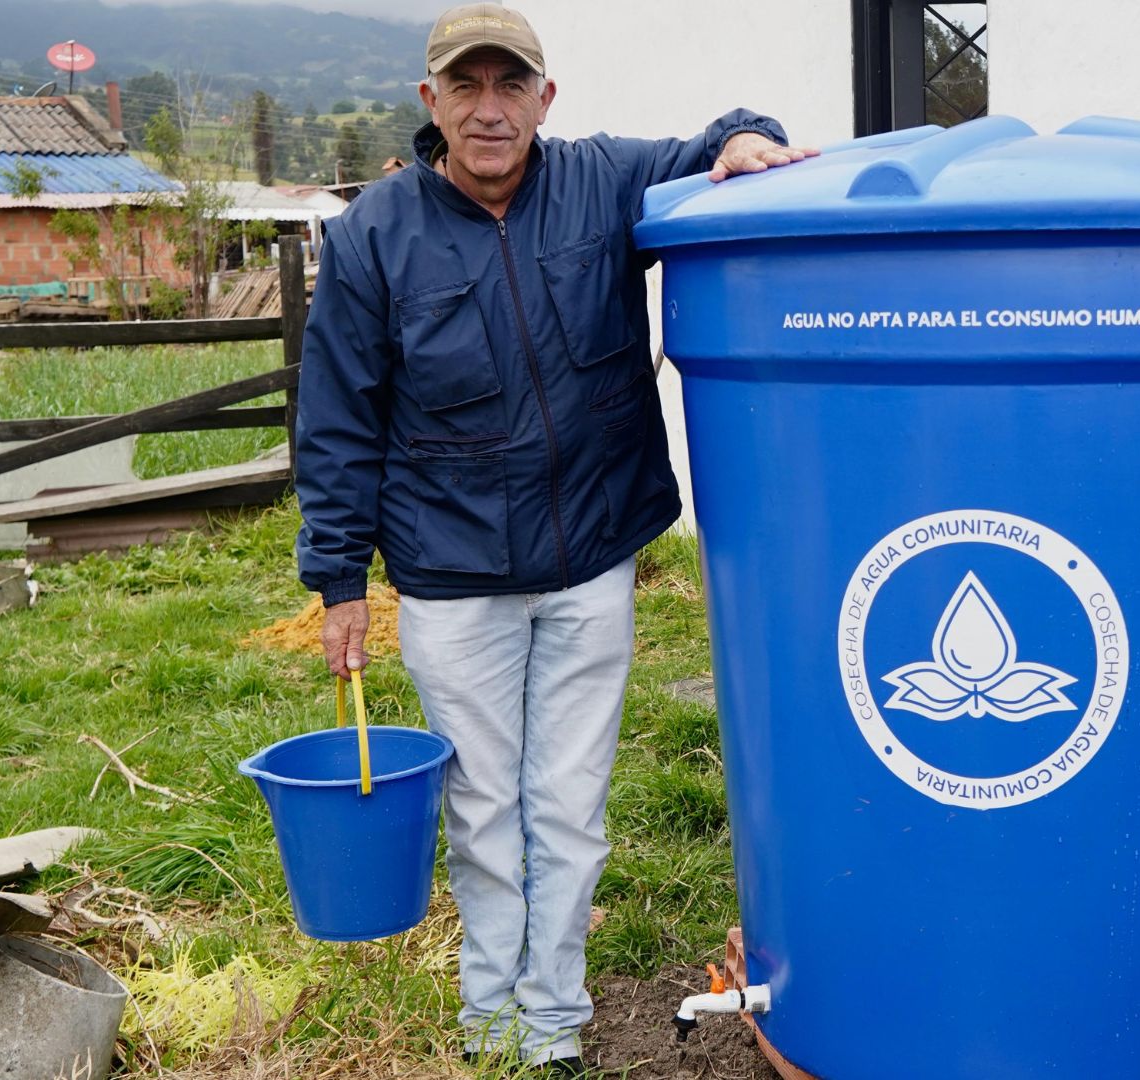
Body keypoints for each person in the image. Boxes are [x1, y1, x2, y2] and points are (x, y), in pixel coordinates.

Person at [294, 3, 816, 1071]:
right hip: (452, 579)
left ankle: (555, 1019)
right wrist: (338, 577)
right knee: (487, 811)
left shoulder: (601, 181)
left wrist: (745, 140)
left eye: (512, 86)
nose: (491, 111)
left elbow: (719, 136)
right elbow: (338, 418)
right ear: (432, 103)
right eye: (468, 89)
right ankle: (492, 1018)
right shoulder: (371, 239)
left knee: (569, 806)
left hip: (590, 565)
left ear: (545, 97)